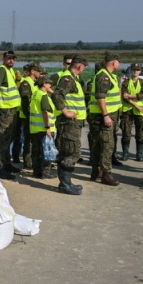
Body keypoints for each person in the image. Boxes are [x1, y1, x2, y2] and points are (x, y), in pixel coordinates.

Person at [53, 55, 88, 195]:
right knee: (71, 152)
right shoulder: (68, 79)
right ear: (79, 66)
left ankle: (66, 182)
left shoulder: (73, 78)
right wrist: (65, 111)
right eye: (83, 68)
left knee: (67, 152)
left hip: (73, 123)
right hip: (69, 123)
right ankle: (65, 184)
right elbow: (57, 94)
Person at [86, 53, 122, 186]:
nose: (119, 64)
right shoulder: (103, 76)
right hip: (102, 116)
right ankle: (106, 173)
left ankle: (96, 171)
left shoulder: (110, 76)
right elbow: (100, 97)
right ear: (113, 62)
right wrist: (106, 115)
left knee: (99, 144)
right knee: (107, 145)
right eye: (118, 61)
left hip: (105, 115)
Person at [0, 50, 21, 178]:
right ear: (4, 59)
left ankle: (7, 164)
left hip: (11, 109)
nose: (11, 60)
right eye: (9, 58)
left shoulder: (10, 71)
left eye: (13, 58)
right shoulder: (2, 70)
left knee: (8, 138)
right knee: (3, 139)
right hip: (6, 110)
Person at [28, 76, 56, 179]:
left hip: (35, 128)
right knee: (46, 151)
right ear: (44, 84)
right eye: (49, 83)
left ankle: (36, 172)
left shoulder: (36, 94)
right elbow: (45, 112)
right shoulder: (43, 95)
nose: (50, 85)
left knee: (36, 151)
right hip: (44, 128)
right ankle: (45, 173)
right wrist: (47, 127)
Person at [120, 63, 143, 161]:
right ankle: (125, 153)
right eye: (134, 69)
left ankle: (139, 154)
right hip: (128, 110)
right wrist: (135, 104)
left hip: (140, 112)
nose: (135, 71)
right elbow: (124, 97)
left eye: (137, 70)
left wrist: (129, 96)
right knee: (126, 133)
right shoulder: (125, 82)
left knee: (140, 133)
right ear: (131, 70)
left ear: (140, 71)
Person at [16, 62, 42, 168]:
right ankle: (28, 161)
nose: (40, 73)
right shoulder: (26, 83)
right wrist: (28, 115)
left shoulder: (34, 82)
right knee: (28, 139)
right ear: (32, 71)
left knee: (32, 139)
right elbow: (25, 101)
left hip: (34, 116)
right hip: (27, 116)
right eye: (38, 71)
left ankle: (33, 159)